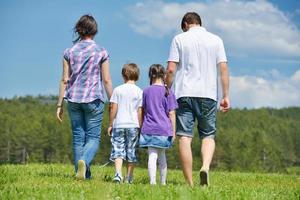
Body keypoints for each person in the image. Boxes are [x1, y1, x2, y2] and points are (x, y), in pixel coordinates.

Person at [166, 12, 230, 187]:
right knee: (208, 136)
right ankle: (205, 166)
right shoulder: (216, 40)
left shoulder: (179, 39)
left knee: (185, 138)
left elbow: (171, 69)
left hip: (184, 93)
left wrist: (166, 89)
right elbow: (223, 68)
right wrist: (225, 95)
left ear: (186, 24)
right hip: (208, 94)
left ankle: (190, 183)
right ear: (199, 23)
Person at [56, 15, 113, 180]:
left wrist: (59, 105)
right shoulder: (101, 51)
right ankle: (84, 161)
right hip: (93, 99)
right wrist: (113, 101)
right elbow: (107, 79)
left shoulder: (69, 52)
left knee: (78, 138)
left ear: (79, 30)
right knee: (93, 138)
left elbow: (64, 80)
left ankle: (81, 174)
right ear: (94, 31)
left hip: (73, 99)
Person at [139, 64, 178, 185]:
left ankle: (152, 182)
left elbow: (142, 110)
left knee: (152, 155)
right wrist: (174, 131)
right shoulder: (168, 92)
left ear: (150, 75)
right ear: (164, 75)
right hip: (164, 129)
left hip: (149, 128)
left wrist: (140, 126)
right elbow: (172, 113)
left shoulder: (146, 91)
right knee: (162, 156)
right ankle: (163, 182)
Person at [107, 63, 143, 184]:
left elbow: (113, 108)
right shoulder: (139, 91)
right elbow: (140, 111)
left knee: (118, 149)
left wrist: (110, 124)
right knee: (131, 150)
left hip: (119, 124)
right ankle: (129, 177)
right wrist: (140, 125)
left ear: (123, 75)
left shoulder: (118, 90)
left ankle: (118, 174)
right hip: (133, 125)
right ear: (137, 75)